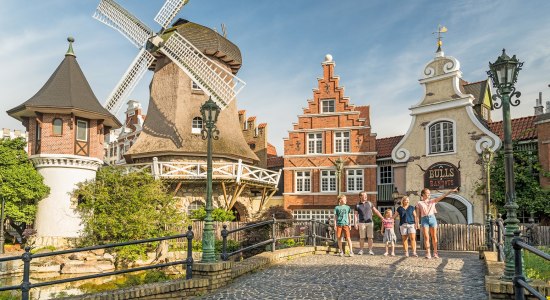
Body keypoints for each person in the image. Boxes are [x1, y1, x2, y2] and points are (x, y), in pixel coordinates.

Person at [416, 187, 459, 259]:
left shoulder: (433, 201)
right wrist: (416, 222)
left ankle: (435, 253)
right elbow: (417, 214)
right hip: (424, 219)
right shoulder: (419, 203)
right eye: (427, 193)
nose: (428, 195)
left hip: (432, 218)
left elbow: (442, 196)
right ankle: (428, 253)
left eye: (429, 193)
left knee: (434, 236)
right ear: (423, 194)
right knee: (426, 237)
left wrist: (450, 191)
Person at [354, 191, 383, 255]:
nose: (365, 196)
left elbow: (376, 211)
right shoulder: (357, 205)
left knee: (370, 237)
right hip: (361, 223)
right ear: (360, 196)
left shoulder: (370, 203)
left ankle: (370, 250)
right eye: (364, 195)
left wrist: (382, 218)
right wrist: (355, 223)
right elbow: (355, 215)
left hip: (370, 222)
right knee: (362, 237)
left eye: (366, 195)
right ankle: (361, 250)